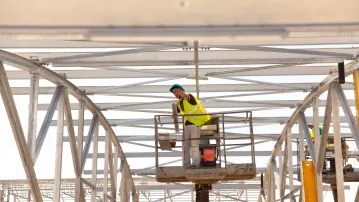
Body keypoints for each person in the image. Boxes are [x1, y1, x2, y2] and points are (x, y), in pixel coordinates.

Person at [169, 84, 211, 168]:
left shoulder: (189, 97)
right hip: (186, 126)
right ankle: (186, 165)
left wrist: (183, 94)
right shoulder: (179, 103)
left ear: (181, 90)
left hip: (195, 124)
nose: (175, 94)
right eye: (174, 93)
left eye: (176, 91)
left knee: (194, 145)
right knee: (185, 147)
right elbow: (176, 113)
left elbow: (187, 97)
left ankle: (195, 164)